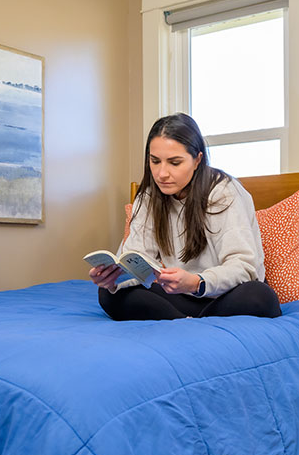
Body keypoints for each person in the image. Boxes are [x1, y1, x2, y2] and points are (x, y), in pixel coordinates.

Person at [89, 113, 281, 320]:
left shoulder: (223, 192)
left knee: (260, 296)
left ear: (197, 159)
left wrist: (197, 282)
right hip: (180, 296)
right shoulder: (148, 197)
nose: (162, 173)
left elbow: (244, 267)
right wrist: (113, 279)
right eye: (155, 161)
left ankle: (179, 321)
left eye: (175, 162)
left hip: (223, 295)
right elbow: (136, 257)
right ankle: (187, 323)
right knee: (109, 295)